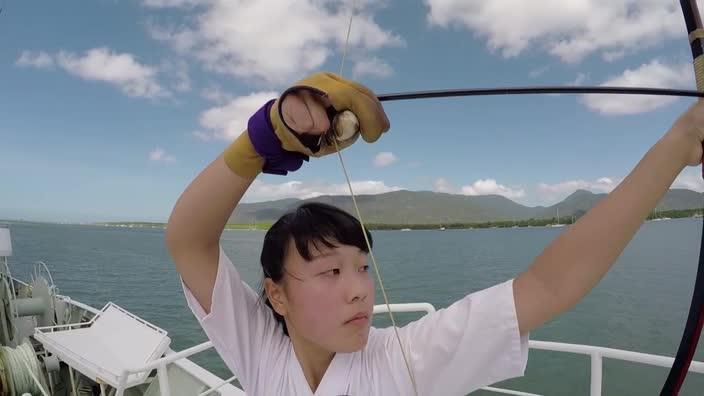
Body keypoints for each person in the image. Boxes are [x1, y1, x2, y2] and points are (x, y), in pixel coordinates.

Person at [165, 72, 704, 395]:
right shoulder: (260, 349)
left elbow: (548, 286)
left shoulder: (404, 361)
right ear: (276, 295)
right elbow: (188, 239)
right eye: (331, 271)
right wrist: (262, 137)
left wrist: (678, 144)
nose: (359, 289)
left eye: (361, 267)